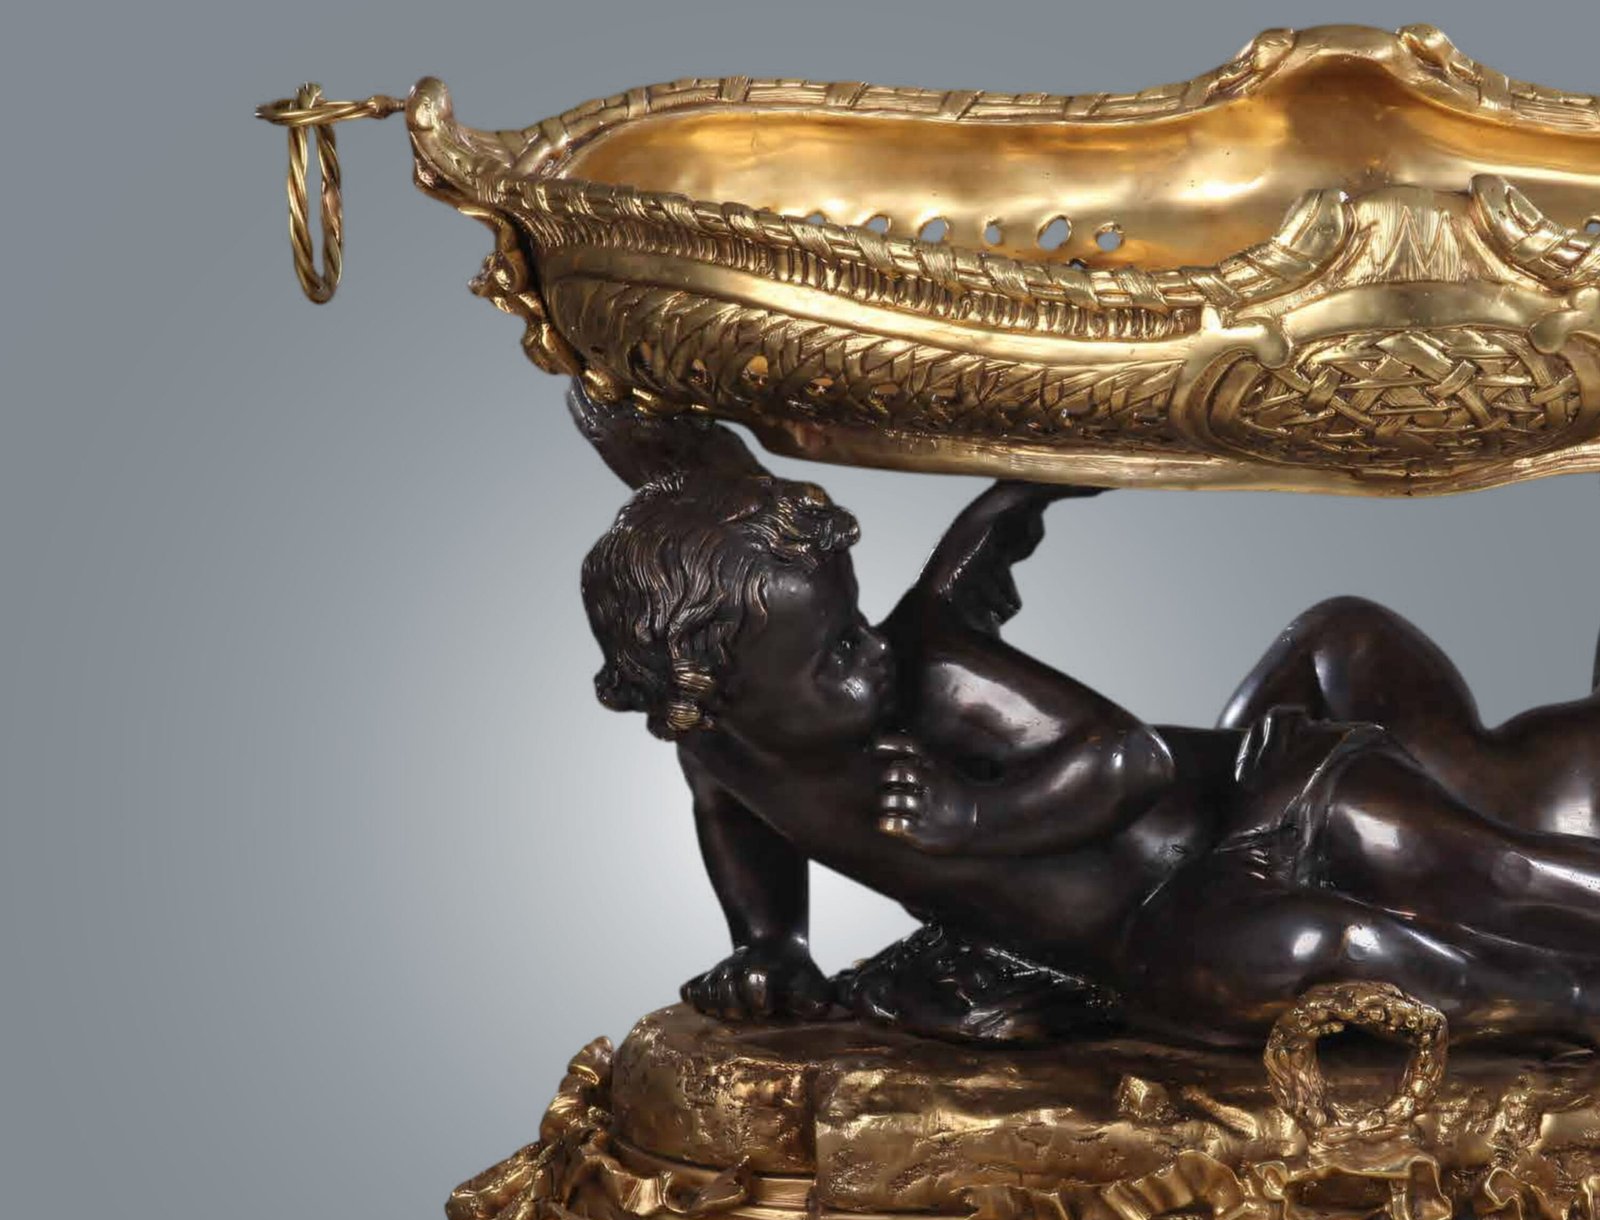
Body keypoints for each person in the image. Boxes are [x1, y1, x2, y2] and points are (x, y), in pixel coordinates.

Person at [576, 386, 1600, 1050]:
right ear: (705, 694)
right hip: (1179, 926)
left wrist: (975, 818)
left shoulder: (929, 676)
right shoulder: (720, 745)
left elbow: (1127, 759)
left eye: (857, 621)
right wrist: (770, 941)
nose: (872, 650)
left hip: (1268, 803)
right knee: (1275, 969)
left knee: (1508, 878)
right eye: (838, 651)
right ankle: (1564, 998)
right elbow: (734, 816)